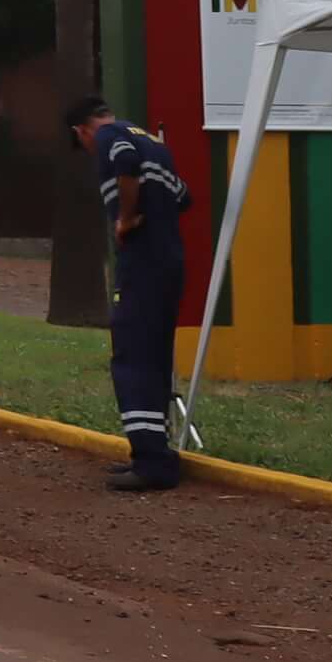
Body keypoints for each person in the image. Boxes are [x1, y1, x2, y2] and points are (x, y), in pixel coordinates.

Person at [70, 95, 191, 491]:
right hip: (170, 259)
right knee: (154, 356)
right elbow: (183, 196)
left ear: (82, 130)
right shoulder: (154, 143)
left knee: (132, 356)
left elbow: (124, 163)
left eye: (82, 143)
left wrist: (125, 218)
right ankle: (159, 451)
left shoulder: (111, 136)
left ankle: (151, 462)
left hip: (142, 262)